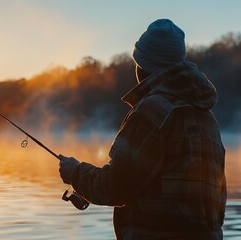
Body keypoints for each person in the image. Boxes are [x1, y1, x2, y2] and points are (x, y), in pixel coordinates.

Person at [58, 19, 226, 239]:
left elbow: (116, 187)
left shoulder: (153, 111)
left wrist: (76, 172)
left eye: (137, 62)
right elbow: (218, 199)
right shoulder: (207, 117)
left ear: (144, 66)